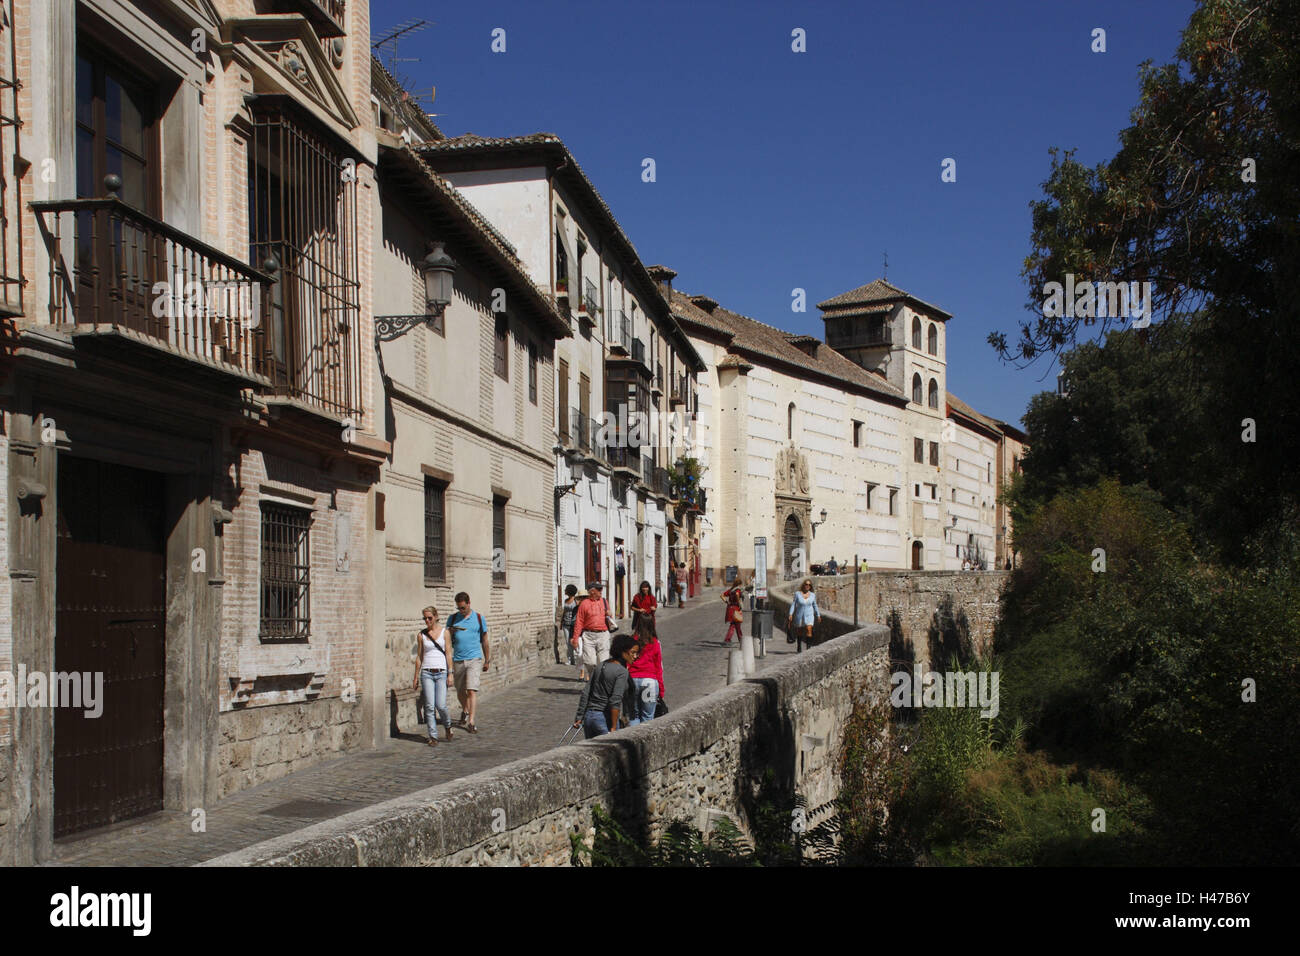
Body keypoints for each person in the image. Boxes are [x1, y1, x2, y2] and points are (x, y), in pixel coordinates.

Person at [572, 634, 639, 739]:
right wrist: (613, 728)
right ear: (623, 651)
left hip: (589, 717)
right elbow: (615, 700)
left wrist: (579, 716)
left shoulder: (601, 665)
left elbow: (586, 692)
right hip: (604, 719)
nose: (635, 656)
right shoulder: (621, 672)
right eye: (633, 652)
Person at [447, 591, 490, 734]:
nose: (461, 611)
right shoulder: (452, 619)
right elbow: (446, 640)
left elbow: (484, 639)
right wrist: (451, 632)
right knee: (460, 692)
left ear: (469, 603)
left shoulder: (478, 618)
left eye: (463, 608)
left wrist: (487, 659)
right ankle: (465, 710)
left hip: (474, 659)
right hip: (458, 659)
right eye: (459, 608)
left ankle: (471, 721)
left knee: (471, 690)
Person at [412, 606, 452, 747]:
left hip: (441, 672)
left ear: (435, 617)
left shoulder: (445, 633)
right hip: (427, 673)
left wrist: (450, 673)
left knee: (440, 705)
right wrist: (416, 676)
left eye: (429, 617)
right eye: (425, 618)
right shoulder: (421, 635)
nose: (427, 620)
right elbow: (419, 656)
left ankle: (447, 726)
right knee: (429, 707)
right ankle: (433, 736)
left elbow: (448, 653)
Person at [572, 581, 615, 681]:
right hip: (588, 635)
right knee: (589, 661)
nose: (601, 591)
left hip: (603, 635)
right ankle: (593, 679)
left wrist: (609, 614)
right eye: (599, 589)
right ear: (592, 591)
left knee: (603, 662)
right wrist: (575, 639)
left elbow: (609, 619)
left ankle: (599, 683)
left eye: (601, 589)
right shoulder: (584, 604)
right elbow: (579, 622)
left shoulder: (604, 601)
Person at [628, 613, 665, 725]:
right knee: (648, 718)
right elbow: (659, 668)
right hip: (649, 681)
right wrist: (661, 690)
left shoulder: (630, 641)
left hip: (632, 680)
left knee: (633, 716)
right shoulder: (655, 643)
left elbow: (626, 663)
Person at [788, 578, 821, 647]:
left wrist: (818, 615)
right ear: (803, 585)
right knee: (800, 631)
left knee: (809, 629)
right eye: (806, 584)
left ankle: (808, 648)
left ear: (810, 586)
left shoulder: (812, 595)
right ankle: (799, 646)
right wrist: (790, 614)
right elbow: (793, 604)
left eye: (809, 585)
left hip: (809, 615)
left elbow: (815, 605)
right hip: (799, 615)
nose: (807, 586)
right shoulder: (797, 594)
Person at [559, 584, 580, 668]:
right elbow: (564, 612)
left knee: (573, 642)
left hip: (573, 625)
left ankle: (575, 658)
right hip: (565, 624)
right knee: (568, 643)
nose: (564, 591)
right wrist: (561, 622)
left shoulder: (576, 601)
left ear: (569, 591)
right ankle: (570, 659)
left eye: (566, 590)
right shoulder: (565, 600)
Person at [721, 578, 744, 644]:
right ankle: (740, 639)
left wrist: (726, 602)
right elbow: (737, 594)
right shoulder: (737, 590)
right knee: (737, 625)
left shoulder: (731, 590)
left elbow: (722, 595)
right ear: (739, 584)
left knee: (733, 625)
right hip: (735, 609)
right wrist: (739, 602)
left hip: (730, 608)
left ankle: (728, 639)